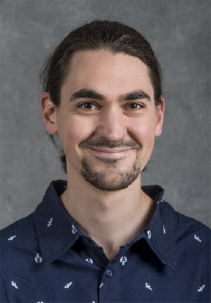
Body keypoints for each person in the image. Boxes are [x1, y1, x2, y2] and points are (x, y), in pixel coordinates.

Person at [0, 20, 210, 303]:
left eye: (133, 106)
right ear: (51, 114)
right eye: (88, 105)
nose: (113, 132)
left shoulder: (204, 260)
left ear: (158, 116)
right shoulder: (5, 264)